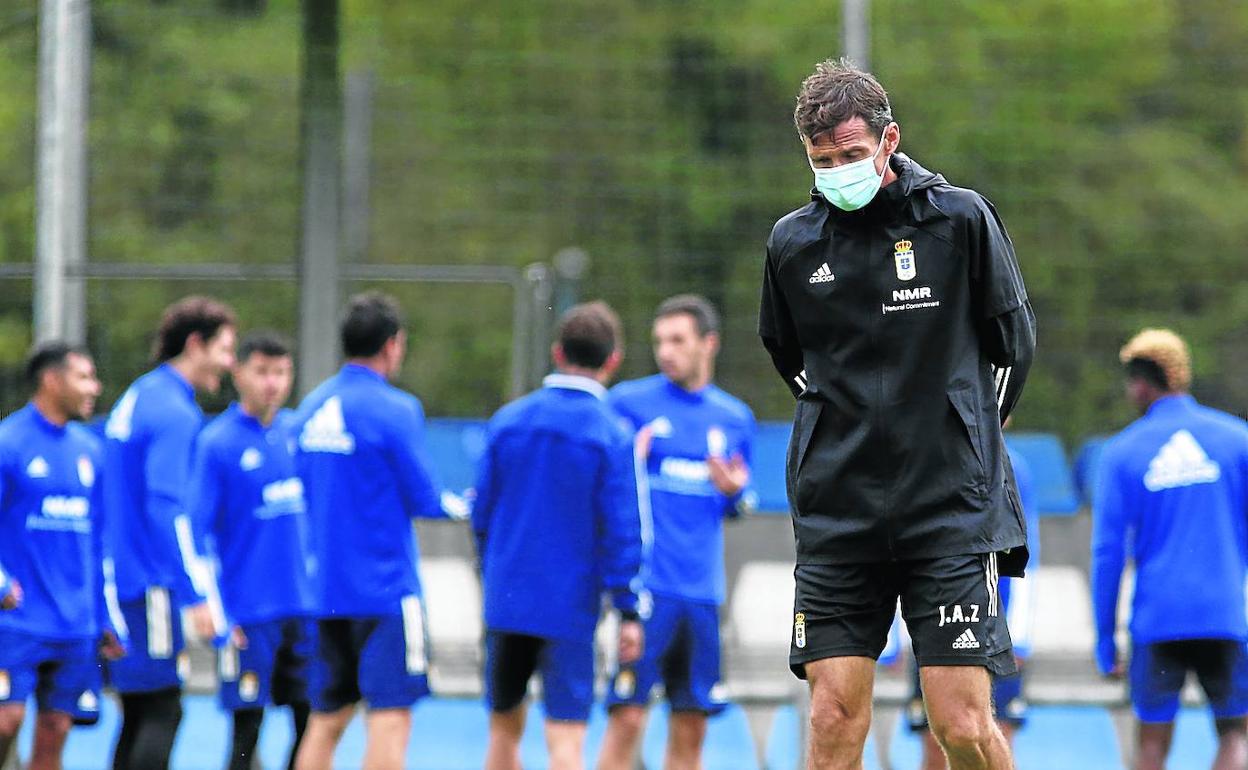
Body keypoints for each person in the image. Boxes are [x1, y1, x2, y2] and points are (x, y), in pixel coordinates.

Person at [757, 59, 1036, 769]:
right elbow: (791, 361)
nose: (837, 171)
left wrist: (960, 445)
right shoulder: (792, 245)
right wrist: (844, 436)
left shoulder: (959, 220)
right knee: (830, 716)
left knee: (961, 724)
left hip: (947, 512)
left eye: (851, 155)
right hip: (839, 515)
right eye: (822, 161)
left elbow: (1013, 349)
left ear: (889, 142)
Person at [292, 292, 465, 770]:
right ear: (393, 345)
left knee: (325, 720)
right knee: (389, 717)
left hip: (326, 588)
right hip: (385, 592)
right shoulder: (397, 408)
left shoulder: (310, 408)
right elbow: (426, 499)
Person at [472, 301, 644, 770]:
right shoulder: (612, 433)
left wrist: (491, 574)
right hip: (570, 607)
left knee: (503, 727)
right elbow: (622, 529)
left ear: (556, 352)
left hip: (506, 599)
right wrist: (628, 607)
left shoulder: (507, 421)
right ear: (612, 360)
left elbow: (480, 513)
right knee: (566, 738)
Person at [597, 294, 755, 770]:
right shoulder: (626, 403)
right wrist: (630, 464)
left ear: (709, 344)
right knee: (626, 719)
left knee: (691, 726)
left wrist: (732, 493)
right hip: (647, 593)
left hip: (701, 596)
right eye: (659, 341)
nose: (666, 351)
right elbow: (602, 487)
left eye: (678, 340)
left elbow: (737, 504)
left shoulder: (734, 418)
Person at [1091, 328, 1248, 770]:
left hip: (1157, 622)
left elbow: (1107, 555)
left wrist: (1105, 639)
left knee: (1152, 746)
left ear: (1141, 383)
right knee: (1237, 733)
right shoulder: (1238, 440)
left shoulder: (1121, 453)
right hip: (1225, 617)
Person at [103, 296, 237, 770]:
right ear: (195, 345)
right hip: (147, 583)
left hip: (118, 575)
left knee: (139, 710)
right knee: (163, 708)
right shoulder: (177, 413)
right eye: (224, 349)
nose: (229, 362)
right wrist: (194, 593)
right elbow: (167, 510)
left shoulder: (142, 392)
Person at [189, 331, 314, 770]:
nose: (272, 384)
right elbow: (197, 529)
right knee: (247, 730)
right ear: (238, 373)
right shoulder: (217, 443)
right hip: (249, 612)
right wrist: (210, 604)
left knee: (312, 724)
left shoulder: (300, 433)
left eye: (281, 372)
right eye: (261, 371)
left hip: (305, 608)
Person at [0, 342, 125, 770]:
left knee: (55, 731)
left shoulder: (89, 450)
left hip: (74, 623)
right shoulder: (8, 444)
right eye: (84, 377)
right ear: (52, 381)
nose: (96, 387)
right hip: (15, 620)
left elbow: (98, 542)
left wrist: (105, 615)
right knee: (6, 719)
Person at [906, 440, 1041, 766]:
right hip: (931, 623)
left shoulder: (1011, 466)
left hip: (994, 628)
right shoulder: (918, 460)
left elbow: (1028, 552)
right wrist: (898, 638)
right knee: (934, 741)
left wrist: (1019, 637)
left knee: (996, 734)